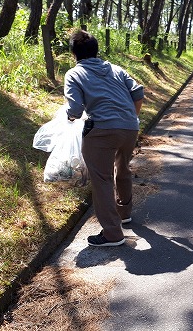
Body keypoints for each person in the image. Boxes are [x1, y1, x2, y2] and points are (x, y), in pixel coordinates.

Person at [64, 30, 144, 246]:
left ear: (74, 53)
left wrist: (68, 117)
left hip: (102, 131)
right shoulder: (116, 69)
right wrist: (129, 118)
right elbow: (138, 92)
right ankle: (124, 213)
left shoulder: (74, 74)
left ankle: (112, 233)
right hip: (129, 128)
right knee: (123, 168)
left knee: (102, 179)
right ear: (96, 49)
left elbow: (76, 109)